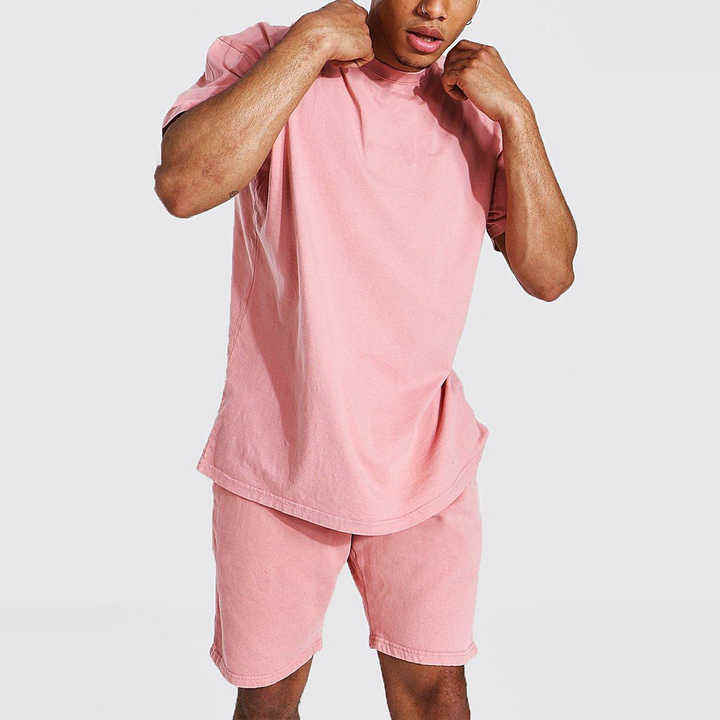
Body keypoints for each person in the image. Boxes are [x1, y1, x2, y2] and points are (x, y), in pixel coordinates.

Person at [155, 0, 577, 716]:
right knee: (268, 699)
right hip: (281, 453)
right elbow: (183, 186)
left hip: (423, 457)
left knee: (435, 693)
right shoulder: (266, 54)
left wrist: (519, 116)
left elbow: (550, 275)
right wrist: (311, 41)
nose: (434, 8)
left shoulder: (477, 103)